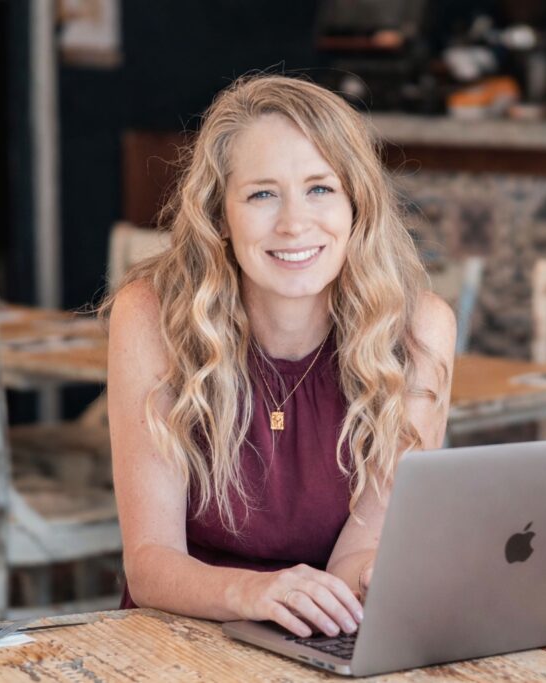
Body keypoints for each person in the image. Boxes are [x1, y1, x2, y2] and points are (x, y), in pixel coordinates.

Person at [105, 74, 455, 639]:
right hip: (178, 639)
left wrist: (372, 580)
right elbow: (148, 563)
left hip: (322, 636)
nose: (295, 224)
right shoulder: (151, 317)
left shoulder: (418, 331)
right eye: (262, 193)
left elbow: (362, 548)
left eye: (320, 188)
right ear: (220, 215)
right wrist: (255, 592)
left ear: (356, 205)